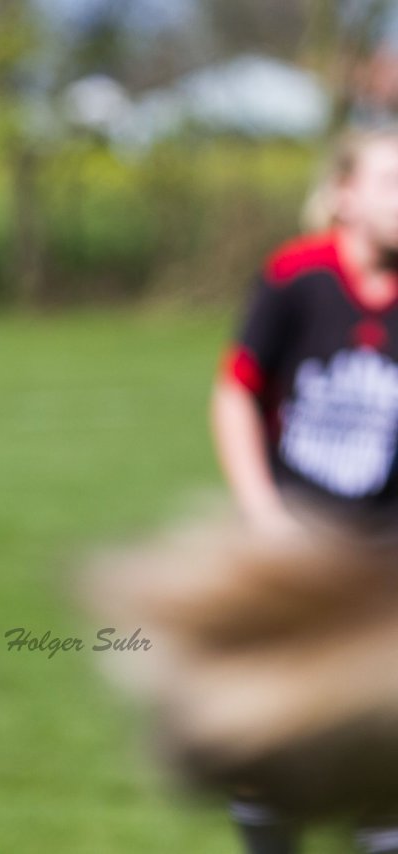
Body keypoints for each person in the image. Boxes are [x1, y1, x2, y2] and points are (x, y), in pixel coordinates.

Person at [211, 126, 398, 854]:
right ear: (345, 194)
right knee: (274, 741)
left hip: (381, 554)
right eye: (390, 180)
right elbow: (236, 394)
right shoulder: (298, 276)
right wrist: (263, 515)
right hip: (293, 545)